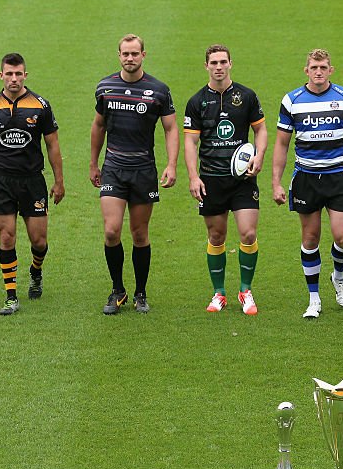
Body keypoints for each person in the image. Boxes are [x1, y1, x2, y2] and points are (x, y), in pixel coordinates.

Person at [273, 49, 343, 319]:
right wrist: (276, 183)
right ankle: (314, 298)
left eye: (323, 67)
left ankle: (338, 276)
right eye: (314, 67)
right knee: (310, 237)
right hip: (306, 178)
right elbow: (281, 143)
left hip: (338, 176)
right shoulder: (292, 101)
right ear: (306, 70)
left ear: (331, 70)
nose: (318, 71)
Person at [90, 34, 179, 315]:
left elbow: (171, 128)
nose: (130, 58)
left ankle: (141, 292)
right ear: (119, 55)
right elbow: (98, 126)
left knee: (140, 234)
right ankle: (118, 290)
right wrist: (94, 163)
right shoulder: (105, 87)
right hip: (114, 168)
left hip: (143, 170)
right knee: (111, 230)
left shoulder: (158, 90)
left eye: (134, 54)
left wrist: (172, 164)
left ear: (144, 55)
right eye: (125, 54)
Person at [0, 53, 65, 316]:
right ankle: (11, 295)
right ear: (0, 75)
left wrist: (59, 182)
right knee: (6, 237)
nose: (14, 79)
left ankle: (36, 270)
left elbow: (52, 145)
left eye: (18, 74)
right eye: (9, 74)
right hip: (1, 181)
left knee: (38, 240)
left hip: (33, 181)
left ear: (25, 75)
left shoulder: (40, 106)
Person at [183, 45, 268, 315]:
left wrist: (259, 155)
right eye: (213, 63)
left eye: (223, 62)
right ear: (206, 66)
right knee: (216, 236)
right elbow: (190, 141)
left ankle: (245, 290)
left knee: (248, 233)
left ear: (230, 63)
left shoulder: (247, 96)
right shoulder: (197, 101)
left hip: (242, 179)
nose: (218, 67)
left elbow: (261, 129)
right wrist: (194, 176)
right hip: (211, 179)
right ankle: (219, 293)